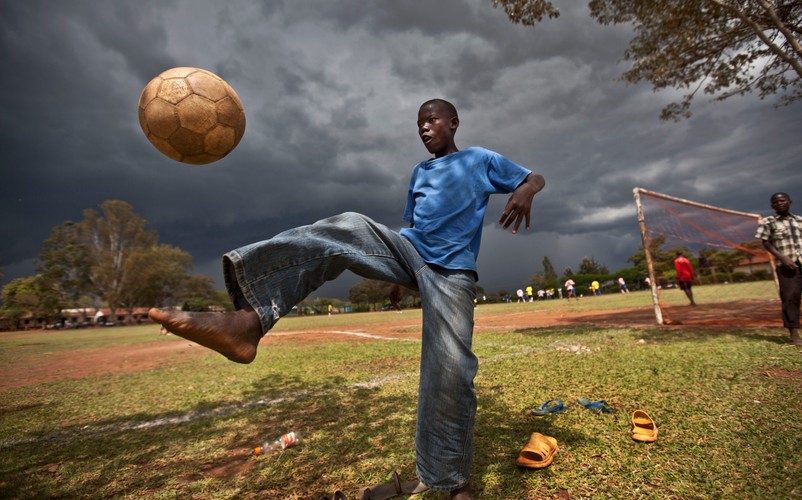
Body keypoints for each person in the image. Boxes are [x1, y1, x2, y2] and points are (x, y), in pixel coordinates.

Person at [148, 98, 545, 498]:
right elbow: (414, 226)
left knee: (449, 372)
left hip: (451, 271)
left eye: (432, 121)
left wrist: (526, 189)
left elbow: (535, 177)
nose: (424, 128)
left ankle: (453, 482)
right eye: (419, 123)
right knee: (349, 225)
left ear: (453, 123)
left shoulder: (478, 159)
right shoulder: (419, 173)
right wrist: (399, 275)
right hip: (410, 254)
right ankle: (248, 322)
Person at [755, 192, 802, 346]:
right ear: (772, 206)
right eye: (776, 202)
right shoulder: (769, 222)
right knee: (790, 298)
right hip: (787, 267)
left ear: (789, 202)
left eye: (783, 200)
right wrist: (783, 258)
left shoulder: (799, 221)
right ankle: (794, 334)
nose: (780, 203)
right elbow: (766, 242)